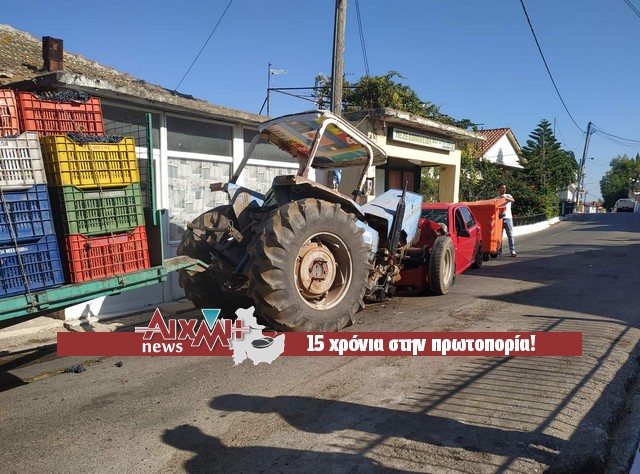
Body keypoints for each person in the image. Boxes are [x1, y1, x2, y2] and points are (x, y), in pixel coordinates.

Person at [497, 183, 517, 257]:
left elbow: (513, 200)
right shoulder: (496, 198)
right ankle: (499, 251)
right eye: (502, 188)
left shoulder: (508, 196)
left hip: (508, 218)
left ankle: (512, 250)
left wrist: (505, 198)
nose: (504, 189)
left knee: (510, 235)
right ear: (499, 189)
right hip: (499, 219)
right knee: (499, 236)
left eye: (505, 188)